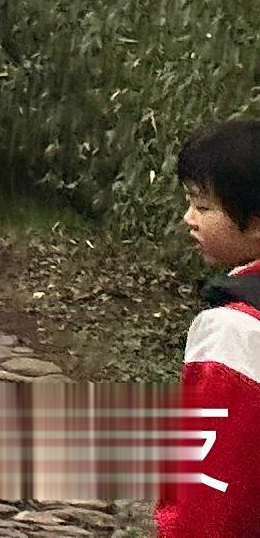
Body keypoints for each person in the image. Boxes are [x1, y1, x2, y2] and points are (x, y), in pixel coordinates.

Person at [166, 123, 260, 538]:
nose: (189, 219)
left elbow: (213, 481)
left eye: (203, 207)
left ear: (256, 223)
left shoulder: (235, 330)